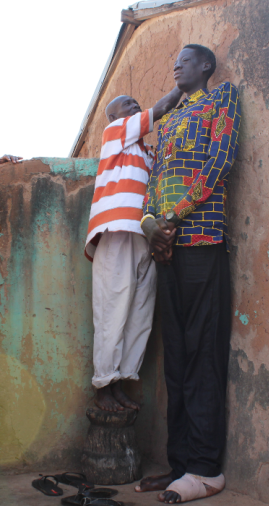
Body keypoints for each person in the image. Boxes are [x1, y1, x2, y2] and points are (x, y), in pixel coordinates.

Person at [134, 44, 241, 504]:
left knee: (202, 354)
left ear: (206, 67)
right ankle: (180, 464)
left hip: (201, 241)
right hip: (166, 248)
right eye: (173, 58)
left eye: (184, 59)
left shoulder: (223, 100)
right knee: (176, 356)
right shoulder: (174, 116)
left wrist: (173, 219)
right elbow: (154, 178)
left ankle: (204, 468)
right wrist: (150, 226)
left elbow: (220, 161)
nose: (174, 64)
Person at [86, 88, 182, 412]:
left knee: (139, 315)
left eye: (134, 102)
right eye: (126, 104)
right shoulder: (115, 133)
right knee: (113, 312)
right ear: (114, 117)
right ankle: (103, 386)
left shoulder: (145, 153)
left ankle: (122, 381)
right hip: (117, 233)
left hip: (144, 239)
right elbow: (164, 106)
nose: (134, 104)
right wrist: (184, 83)